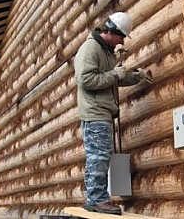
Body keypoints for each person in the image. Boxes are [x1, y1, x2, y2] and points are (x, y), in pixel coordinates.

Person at [74, 12, 147, 215]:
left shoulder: (106, 51)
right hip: (95, 112)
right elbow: (86, 80)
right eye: (122, 36)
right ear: (111, 32)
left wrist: (134, 77)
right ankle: (97, 200)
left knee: (100, 155)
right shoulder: (91, 48)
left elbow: (112, 79)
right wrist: (115, 74)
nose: (122, 41)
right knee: (98, 155)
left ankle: (96, 199)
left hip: (102, 112)